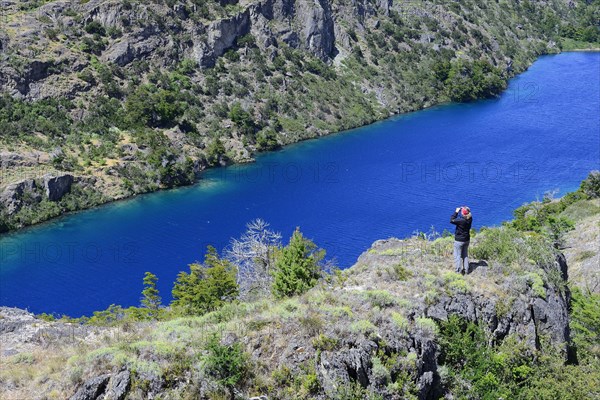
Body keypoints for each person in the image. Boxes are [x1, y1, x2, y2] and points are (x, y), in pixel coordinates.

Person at [450, 206, 472, 275]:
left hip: (459, 241)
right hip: (466, 239)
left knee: (457, 256)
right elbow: (467, 213)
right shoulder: (470, 218)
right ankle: (466, 270)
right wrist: (464, 209)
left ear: (462, 213)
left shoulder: (461, 220)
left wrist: (456, 212)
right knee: (465, 255)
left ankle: (458, 271)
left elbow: (452, 220)